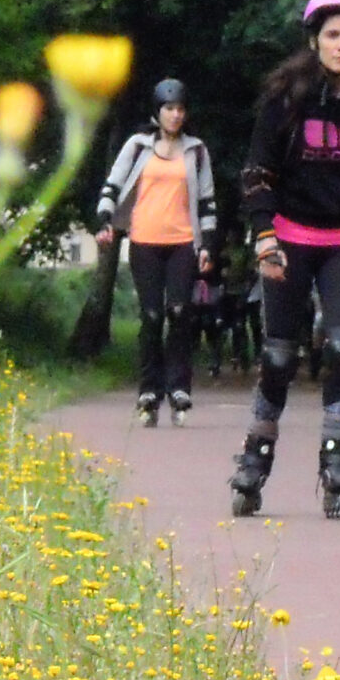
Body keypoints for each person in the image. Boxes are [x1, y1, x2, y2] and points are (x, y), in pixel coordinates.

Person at [230, 0, 340, 518]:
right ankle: (256, 456)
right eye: (333, 35)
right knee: (280, 354)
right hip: (290, 233)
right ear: (314, 40)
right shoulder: (287, 98)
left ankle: (337, 454)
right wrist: (264, 235)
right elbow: (257, 171)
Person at [94, 78, 218, 427]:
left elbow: (207, 200)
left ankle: (178, 387)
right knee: (151, 316)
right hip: (144, 241)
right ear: (157, 112)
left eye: (180, 109)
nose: (175, 116)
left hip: (182, 242)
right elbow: (112, 184)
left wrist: (207, 244)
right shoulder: (137, 146)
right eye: (169, 109)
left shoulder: (197, 151)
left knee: (179, 312)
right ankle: (148, 390)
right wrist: (105, 220)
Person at [193, 253, 228, 378]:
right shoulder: (194, 282)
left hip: (211, 310)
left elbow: (218, 302)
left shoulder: (216, 285)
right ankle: (191, 364)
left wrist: (219, 317)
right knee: (193, 339)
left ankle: (215, 364)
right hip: (197, 310)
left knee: (213, 338)